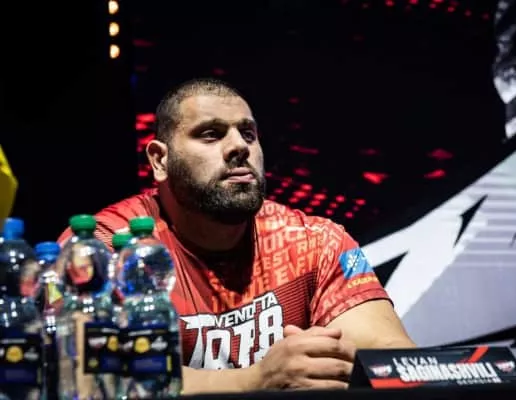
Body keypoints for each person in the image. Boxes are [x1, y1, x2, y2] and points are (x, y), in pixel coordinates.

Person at [58, 78, 415, 393]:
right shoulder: (104, 248)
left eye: (248, 134)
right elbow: (88, 375)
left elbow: (392, 358)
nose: (239, 147)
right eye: (211, 134)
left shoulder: (315, 242)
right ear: (159, 160)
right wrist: (254, 380)